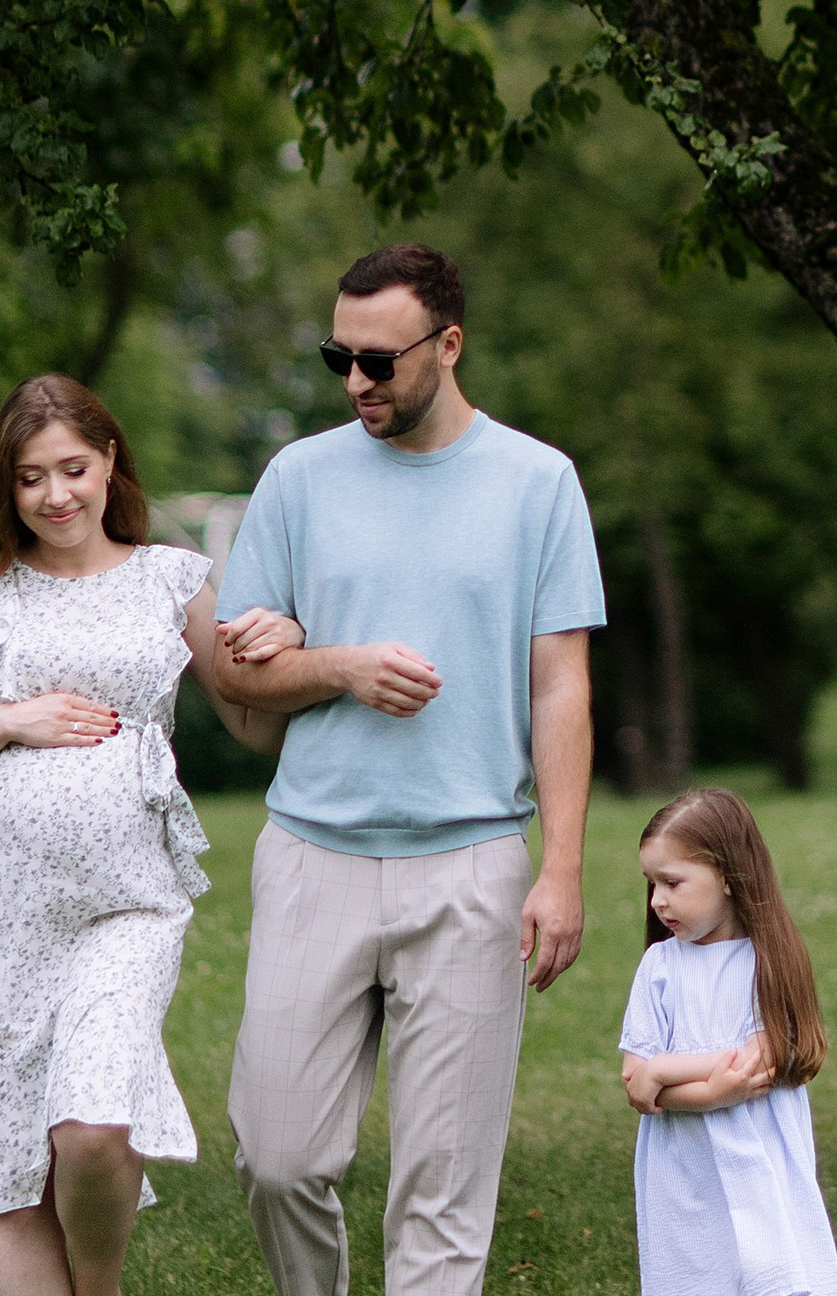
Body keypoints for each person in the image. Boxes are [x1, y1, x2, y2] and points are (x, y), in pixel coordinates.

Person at [212, 241, 604, 1296]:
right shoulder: (297, 477)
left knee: (442, 1190)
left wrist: (558, 867)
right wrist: (337, 665)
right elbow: (235, 670)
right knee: (278, 1155)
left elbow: (560, 686)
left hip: (471, 861)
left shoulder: (538, 484)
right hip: (312, 855)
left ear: (449, 343)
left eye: (379, 361)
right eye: (338, 356)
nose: (355, 382)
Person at [0, 372, 286, 1296]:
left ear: (110, 463)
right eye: (31, 477)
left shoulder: (171, 578)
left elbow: (253, 726)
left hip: (128, 901)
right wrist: (5, 723)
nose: (56, 495)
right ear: (7, 486)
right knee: (14, 1169)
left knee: (95, 1127)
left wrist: (284, 646)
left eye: (74, 468)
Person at [619, 788, 837, 1296]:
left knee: (773, 1274)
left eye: (673, 882)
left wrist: (665, 1070)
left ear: (726, 875)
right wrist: (709, 1093)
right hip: (686, 1169)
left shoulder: (770, 961)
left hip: (764, 1165)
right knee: (698, 1272)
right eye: (651, 883)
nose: (658, 900)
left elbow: (758, 1065)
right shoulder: (660, 967)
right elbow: (637, 1084)